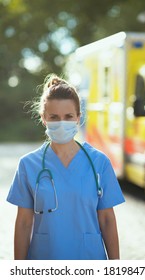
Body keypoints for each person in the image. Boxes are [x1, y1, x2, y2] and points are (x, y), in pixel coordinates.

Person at [7, 73, 125, 260]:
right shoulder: (28, 165)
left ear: (78, 117)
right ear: (43, 118)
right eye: (54, 117)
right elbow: (23, 223)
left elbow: (107, 220)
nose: (61, 123)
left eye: (68, 116)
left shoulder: (99, 162)